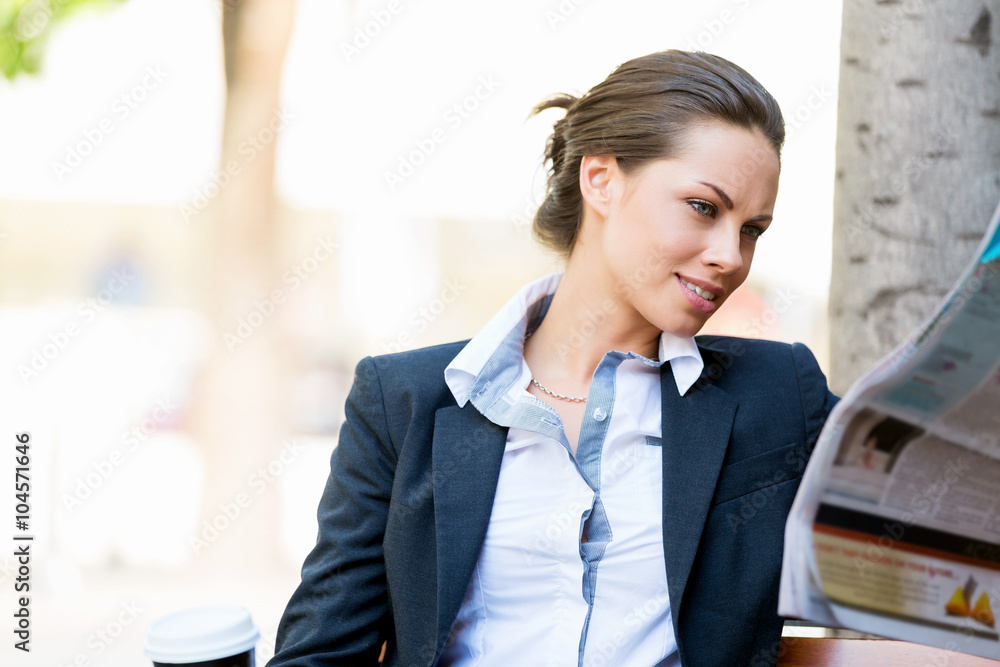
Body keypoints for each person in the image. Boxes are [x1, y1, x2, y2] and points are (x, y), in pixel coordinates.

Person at [268, 50, 839, 667]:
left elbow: (927, 534)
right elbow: (321, 651)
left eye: (752, 229)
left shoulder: (779, 394)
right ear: (600, 179)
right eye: (704, 207)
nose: (730, 254)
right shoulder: (403, 401)